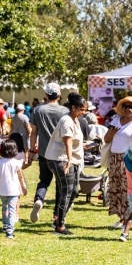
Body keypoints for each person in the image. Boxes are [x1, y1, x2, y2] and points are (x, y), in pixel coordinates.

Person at [43, 92, 86, 235]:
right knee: (66, 191)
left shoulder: (75, 120)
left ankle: (58, 219)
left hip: (69, 159)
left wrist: (83, 146)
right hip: (60, 159)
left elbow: (73, 142)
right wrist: (68, 161)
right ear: (73, 107)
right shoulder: (67, 120)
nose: (83, 112)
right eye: (82, 109)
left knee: (73, 191)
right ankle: (60, 226)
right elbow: (67, 142)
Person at [26, 83, 69, 223]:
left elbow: (33, 133)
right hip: (60, 154)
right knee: (60, 184)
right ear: (59, 95)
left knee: (44, 180)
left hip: (44, 152)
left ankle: (39, 199)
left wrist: (32, 150)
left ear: (46, 94)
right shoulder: (65, 111)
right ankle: (57, 215)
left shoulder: (37, 110)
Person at [104, 96, 132, 230]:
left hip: (128, 159)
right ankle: (121, 217)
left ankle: (128, 219)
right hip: (114, 159)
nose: (128, 109)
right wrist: (111, 133)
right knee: (115, 188)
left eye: (131, 106)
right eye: (125, 106)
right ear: (121, 109)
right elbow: (106, 140)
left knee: (127, 189)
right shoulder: (116, 120)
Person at [0, 139, 27, 239]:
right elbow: (20, 177)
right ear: (15, 150)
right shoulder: (17, 163)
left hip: (3, 190)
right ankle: (10, 230)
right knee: (12, 210)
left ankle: (5, 225)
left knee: (4, 208)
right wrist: (23, 188)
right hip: (14, 191)